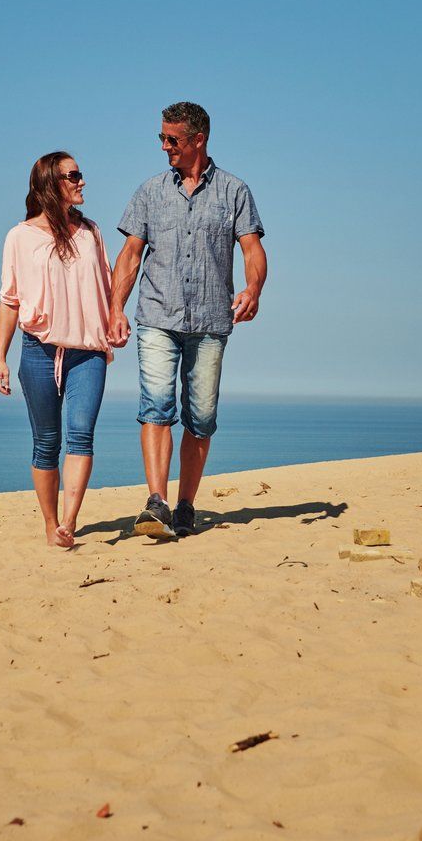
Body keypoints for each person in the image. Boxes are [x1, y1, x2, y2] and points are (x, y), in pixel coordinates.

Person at [107, 102, 267, 539]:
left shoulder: (235, 192)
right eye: (161, 138)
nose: (164, 147)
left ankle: (185, 506)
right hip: (157, 316)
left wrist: (253, 290)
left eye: (171, 139)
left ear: (198, 139)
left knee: (200, 418)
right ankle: (156, 502)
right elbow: (130, 255)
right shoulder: (149, 192)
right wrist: (115, 309)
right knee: (156, 407)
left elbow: (252, 250)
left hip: (212, 322)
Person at [0, 152, 117, 550]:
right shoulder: (19, 237)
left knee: (81, 436)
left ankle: (69, 522)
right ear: (51, 183)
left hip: (88, 353)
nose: (82, 182)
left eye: (81, 174)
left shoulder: (92, 232)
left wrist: (117, 316)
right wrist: (0, 358)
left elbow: (108, 284)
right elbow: (9, 300)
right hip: (37, 352)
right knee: (46, 442)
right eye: (74, 175)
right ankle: (50, 524)